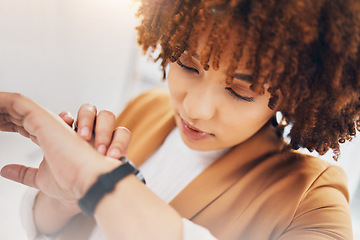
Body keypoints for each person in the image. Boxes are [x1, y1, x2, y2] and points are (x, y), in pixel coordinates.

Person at [1, 0, 359, 239]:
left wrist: (99, 184)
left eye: (240, 91)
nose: (196, 109)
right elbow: (60, 230)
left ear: (297, 93)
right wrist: (63, 199)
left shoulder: (313, 199)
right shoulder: (146, 109)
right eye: (187, 65)